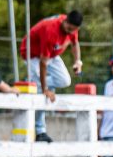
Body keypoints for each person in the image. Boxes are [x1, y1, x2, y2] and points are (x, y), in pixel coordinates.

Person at [20, 10, 83, 142]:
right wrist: (45, 90)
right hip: (32, 54)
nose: (69, 31)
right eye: (68, 28)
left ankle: (32, 83)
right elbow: (43, 63)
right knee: (44, 93)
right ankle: (40, 131)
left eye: (73, 30)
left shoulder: (72, 29)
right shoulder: (51, 31)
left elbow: (75, 43)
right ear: (65, 21)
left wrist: (77, 61)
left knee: (65, 81)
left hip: (52, 55)